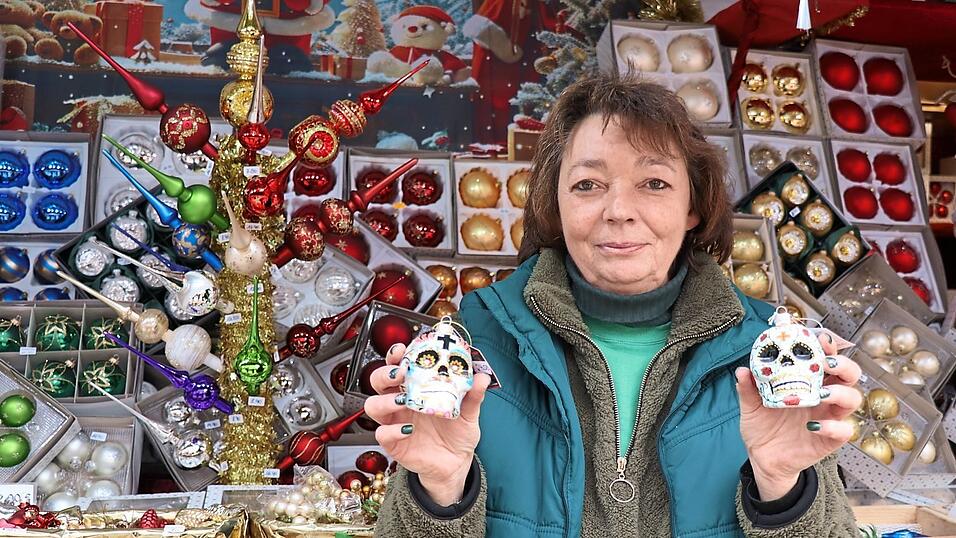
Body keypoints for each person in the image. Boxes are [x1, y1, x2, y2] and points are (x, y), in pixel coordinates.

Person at [364, 74, 862, 537]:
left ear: (693, 206)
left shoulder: (771, 356)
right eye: (588, 184)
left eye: (654, 183)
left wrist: (783, 492)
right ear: (555, 202)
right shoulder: (474, 346)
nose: (619, 211)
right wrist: (439, 494)